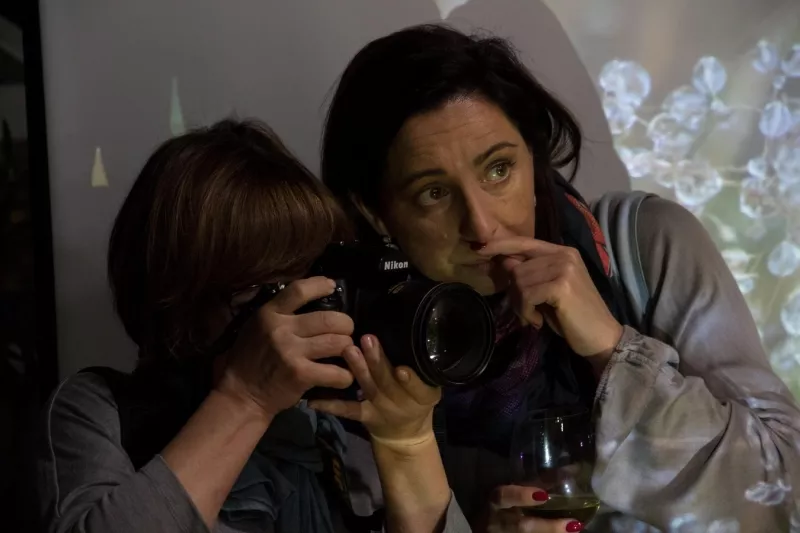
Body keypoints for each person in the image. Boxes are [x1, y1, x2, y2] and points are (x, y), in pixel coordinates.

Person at [320, 24, 800, 533]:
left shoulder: (643, 247)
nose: (481, 226)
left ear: (534, 159)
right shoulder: (360, 340)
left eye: (498, 169)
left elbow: (785, 495)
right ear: (375, 213)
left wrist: (612, 348)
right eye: (434, 194)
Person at [35, 119, 470, 533]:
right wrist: (245, 398)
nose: (300, 309)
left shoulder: (333, 429)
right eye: (273, 288)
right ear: (182, 296)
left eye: (312, 277)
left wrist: (406, 443)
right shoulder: (102, 414)